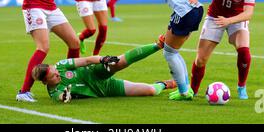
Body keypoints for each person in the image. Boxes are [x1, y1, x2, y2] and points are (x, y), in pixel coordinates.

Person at [125, 0, 207, 101]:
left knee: (169, 53)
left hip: (185, 12)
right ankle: (185, 89)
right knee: (172, 50)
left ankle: (184, 92)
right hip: (196, 9)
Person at [188, 0, 257, 100]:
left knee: (244, 50)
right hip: (215, 18)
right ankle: (192, 91)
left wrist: (229, 21)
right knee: (201, 60)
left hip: (236, 19)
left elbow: (248, 14)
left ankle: (241, 86)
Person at [32, 39, 177, 102]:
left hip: (95, 72)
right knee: (150, 91)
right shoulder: (54, 92)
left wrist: (102, 60)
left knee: (117, 62)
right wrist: (66, 95)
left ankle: (158, 45)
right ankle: (164, 84)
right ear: (45, 82)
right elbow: (62, 98)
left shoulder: (60, 66)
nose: (57, 73)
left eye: (54, 70)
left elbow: (86, 60)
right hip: (103, 90)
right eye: (53, 75)